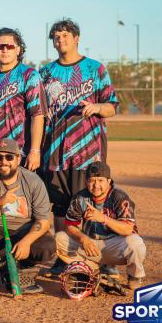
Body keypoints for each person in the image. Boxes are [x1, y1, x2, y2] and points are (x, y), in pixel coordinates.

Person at [39, 19, 118, 275]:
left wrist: (96, 108)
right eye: (56, 37)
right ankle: (63, 258)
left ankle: (104, 260)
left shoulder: (95, 68)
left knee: (93, 204)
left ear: (77, 38)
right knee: (61, 207)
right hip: (56, 153)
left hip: (88, 151)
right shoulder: (46, 72)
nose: (60, 40)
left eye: (65, 35)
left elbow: (112, 106)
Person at [0, 138, 54, 293]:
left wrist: (26, 242)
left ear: (18, 159)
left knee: (48, 246)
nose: (3, 162)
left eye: (9, 157)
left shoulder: (33, 181)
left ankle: (17, 267)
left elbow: (43, 221)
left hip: (24, 233)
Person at [54, 161, 146, 290]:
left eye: (100, 180)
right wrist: (83, 239)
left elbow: (127, 229)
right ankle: (92, 269)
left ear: (109, 181)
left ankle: (134, 275)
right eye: (92, 180)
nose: (96, 185)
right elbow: (70, 225)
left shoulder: (119, 197)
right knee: (60, 238)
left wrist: (103, 218)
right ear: (86, 182)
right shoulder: (80, 198)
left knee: (135, 243)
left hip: (115, 246)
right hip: (91, 245)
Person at [0, 28, 46, 171]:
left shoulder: (29, 75)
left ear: (18, 50)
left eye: (9, 46)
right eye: (0, 46)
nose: (5, 50)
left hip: (19, 154)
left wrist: (35, 151)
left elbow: (38, 115)